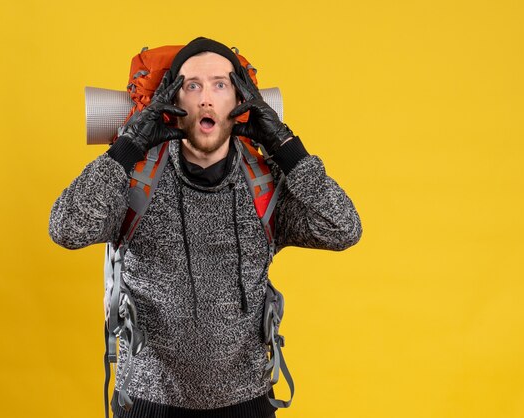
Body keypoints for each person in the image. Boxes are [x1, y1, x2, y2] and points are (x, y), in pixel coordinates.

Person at [49, 37, 362, 418]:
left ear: (240, 103)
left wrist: (284, 145)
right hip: (147, 402)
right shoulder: (136, 180)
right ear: (174, 102)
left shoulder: (262, 183)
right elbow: (67, 228)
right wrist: (127, 147)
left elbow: (343, 227)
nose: (206, 99)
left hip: (248, 401)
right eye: (191, 85)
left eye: (220, 84)